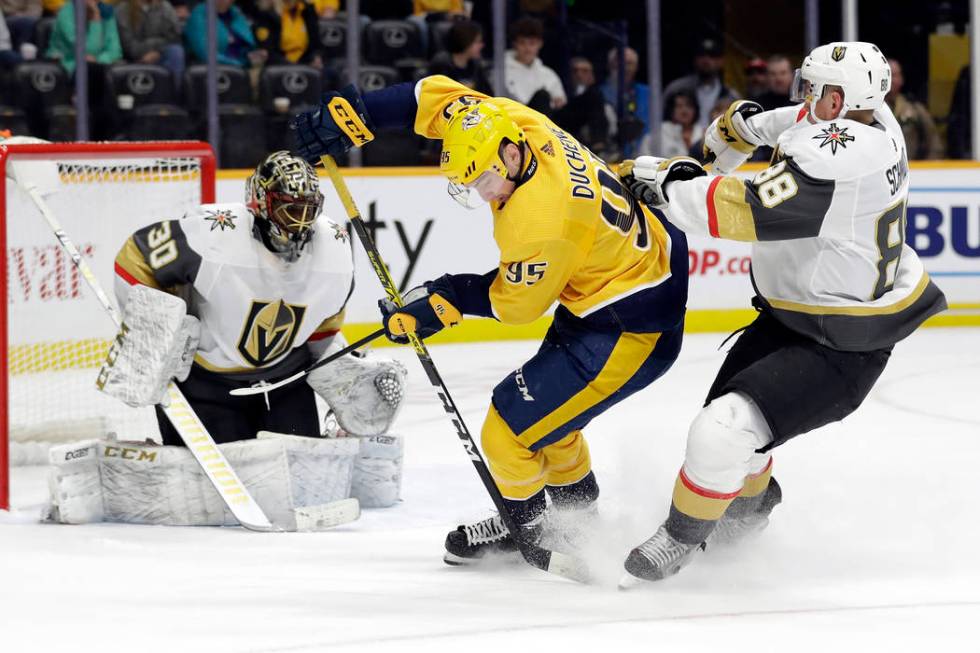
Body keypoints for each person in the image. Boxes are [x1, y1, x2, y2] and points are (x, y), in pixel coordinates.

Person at [290, 74, 689, 565]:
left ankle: (533, 532)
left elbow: (514, 306)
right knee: (551, 424)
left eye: (482, 180)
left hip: (631, 324)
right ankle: (575, 524)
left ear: (509, 156)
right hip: (611, 287)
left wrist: (445, 300)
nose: (480, 194)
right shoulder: (515, 123)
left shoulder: (541, 220)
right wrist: (358, 117)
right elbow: (434, 96)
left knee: (507, 430)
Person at [619, 41, 947, 584]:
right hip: (794, 317)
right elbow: (800, 121)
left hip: (839, 345)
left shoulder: (840, 156)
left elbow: (746, 209)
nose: (803, 98)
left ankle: (679, 538)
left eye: (812, 89)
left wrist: (672, 183)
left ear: (837, 101)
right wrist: (748, 126)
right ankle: (747, 515)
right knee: (734, 439)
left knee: (720, 434)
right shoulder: (873, 119)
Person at [663, 37, 738, 131]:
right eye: (702, 55)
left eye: (712, 56)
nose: (706, 60)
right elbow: (662, 118)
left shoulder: (731, 95)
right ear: (695, 59)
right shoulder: (676, 89)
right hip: (679, 141)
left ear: (721, 61)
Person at [502, 16, 566, 116]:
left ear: (540, 44)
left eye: (532, 43)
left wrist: (559, 102)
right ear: (515, 44)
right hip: (516, 120)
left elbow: (560, 101)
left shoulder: (548, 74)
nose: (527, 48)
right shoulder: (501, 71)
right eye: (522, 43)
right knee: (542, 96)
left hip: (548, 122)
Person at [887, 58, 943, 160]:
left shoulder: (915, 108)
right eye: (888, 75)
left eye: (895, 75)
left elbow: (934, 144)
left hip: (913, 169)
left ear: (901, 79)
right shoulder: (872, 110)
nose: (892, 80)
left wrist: (926, 169)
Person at [553, 56, 610, 154]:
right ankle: (598, 146)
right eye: (575, 71)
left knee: (594, 96)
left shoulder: (597, 97)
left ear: (592, 76)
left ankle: (599, 146)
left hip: (581, 136)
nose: (579, 74)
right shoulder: (558, 87)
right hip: (560, 127)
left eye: (585, 71)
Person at [114, 0, 184, 79]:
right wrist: (155, 46)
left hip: (159, 55)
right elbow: (129, 46)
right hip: (133, 59)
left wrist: (157, 52)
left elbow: (174, 38)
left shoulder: (165, 7)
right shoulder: (122, 10)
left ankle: (176, 90)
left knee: (176, 51)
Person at [601, 46, 650, 158]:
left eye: (629, 63)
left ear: (636, 67)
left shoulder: (648, 94)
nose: (624, 68)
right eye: (619, 63)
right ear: (610, 66)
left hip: (644, 156)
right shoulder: (599, 94)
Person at [251, 0, 324, 68]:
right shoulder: (266, 15)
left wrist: (316, 57)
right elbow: (268, 52)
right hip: (279, 66)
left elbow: (316, 44)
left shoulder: (307, 12)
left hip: (305, 63)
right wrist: (293, 67)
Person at [427, 19, 491, 95]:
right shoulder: (442, 64)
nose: (482, 45)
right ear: (466, 41)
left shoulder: (475, 65)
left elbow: (488, 95)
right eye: (477, 42)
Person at [184, 0, 255, 67]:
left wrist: (250, 56)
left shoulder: (235, 13)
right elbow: (206, 54)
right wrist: (238, 64)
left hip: (243, 67)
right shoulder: (198, 16)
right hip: (212, 70)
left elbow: (246, 45)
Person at [642, 90, 698, 158]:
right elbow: (644, 157)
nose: (684, 110)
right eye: (679, 106)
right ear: (671, 110)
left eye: (689, 106)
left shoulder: (703, 132)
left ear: (695, 109)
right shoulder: (658, 133)